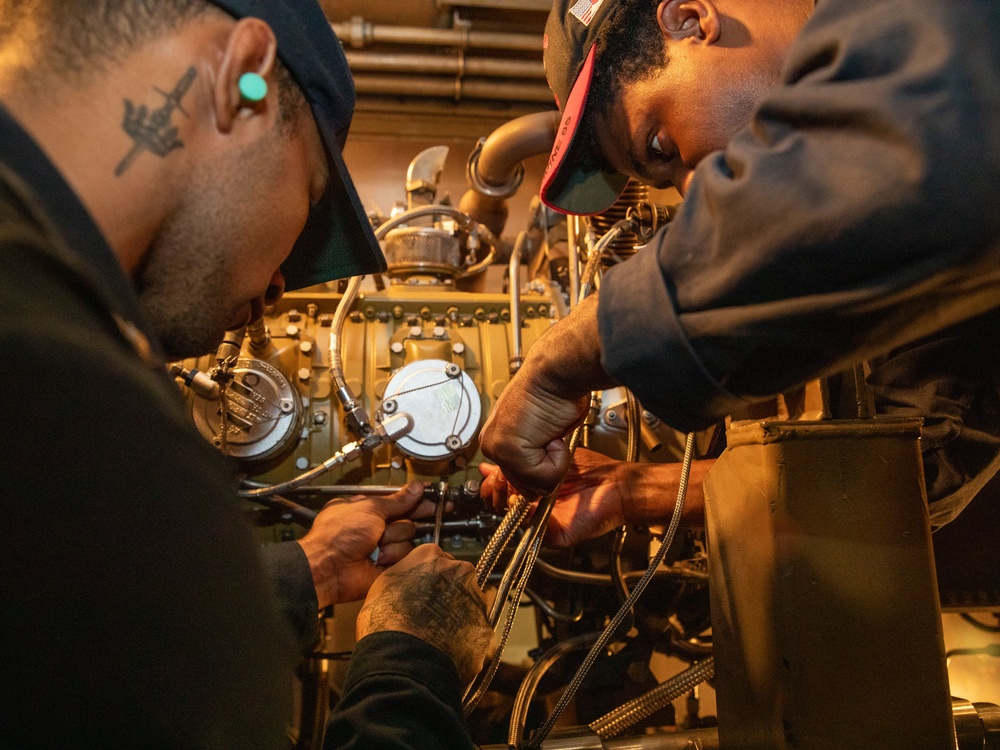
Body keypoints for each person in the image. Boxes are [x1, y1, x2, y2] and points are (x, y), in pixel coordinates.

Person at [0, 1, 490, 747]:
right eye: (313, 195)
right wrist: (407, 666)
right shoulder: (62, 392)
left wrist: (309, 572)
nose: (276, 288)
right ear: (245, 83)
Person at [479, 0, 1000, 534]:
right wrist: (634, 489)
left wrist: (573, 354)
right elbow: (913, 463)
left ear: (690, 19)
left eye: (661, 146)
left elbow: (927, 147)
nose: (694, 190)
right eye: (666, 179)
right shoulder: (896, 238)